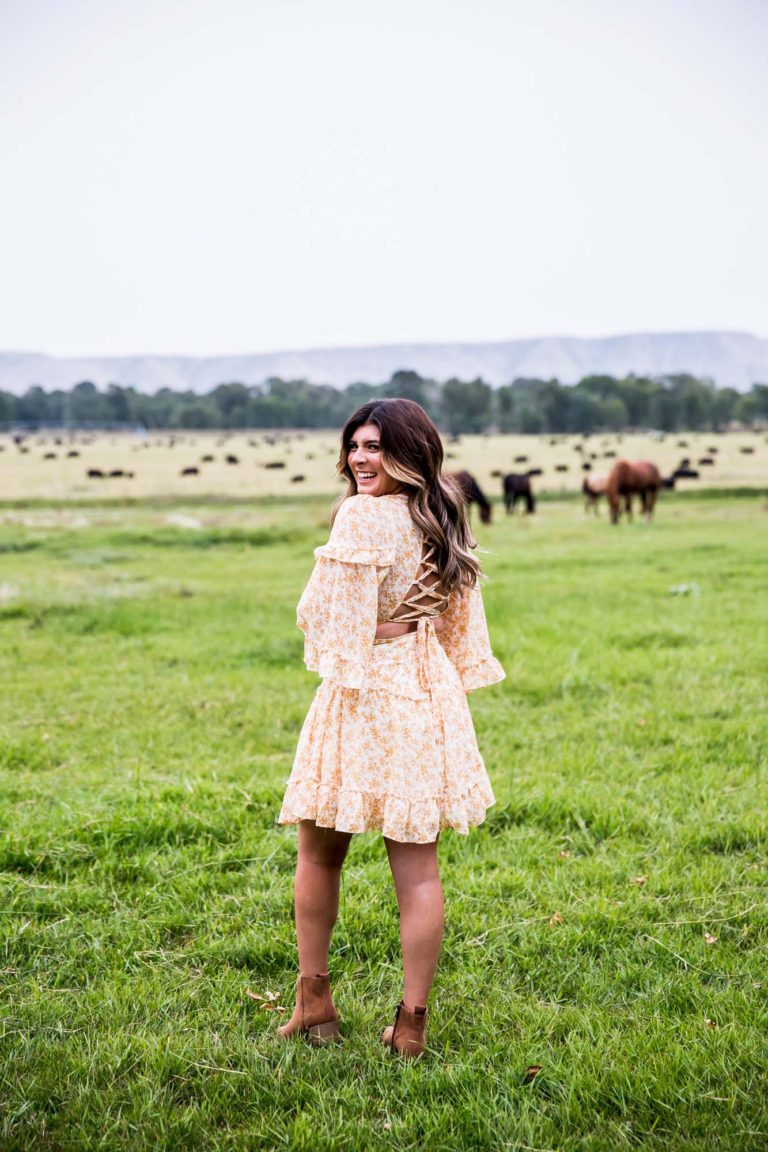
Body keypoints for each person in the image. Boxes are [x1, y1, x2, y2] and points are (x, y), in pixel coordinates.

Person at [276, 398, 505, 1057]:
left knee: (320, 853)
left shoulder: (358, 514)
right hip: (426, 688)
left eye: (375, 446)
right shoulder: (442, 511)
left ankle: (315, 1000)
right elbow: (462, 619)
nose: (360, 458)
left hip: (362, 691)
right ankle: (411, 1025)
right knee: (419, 872)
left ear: (409, 450)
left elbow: (319, 615)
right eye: (355, 445)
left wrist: (349, 631)